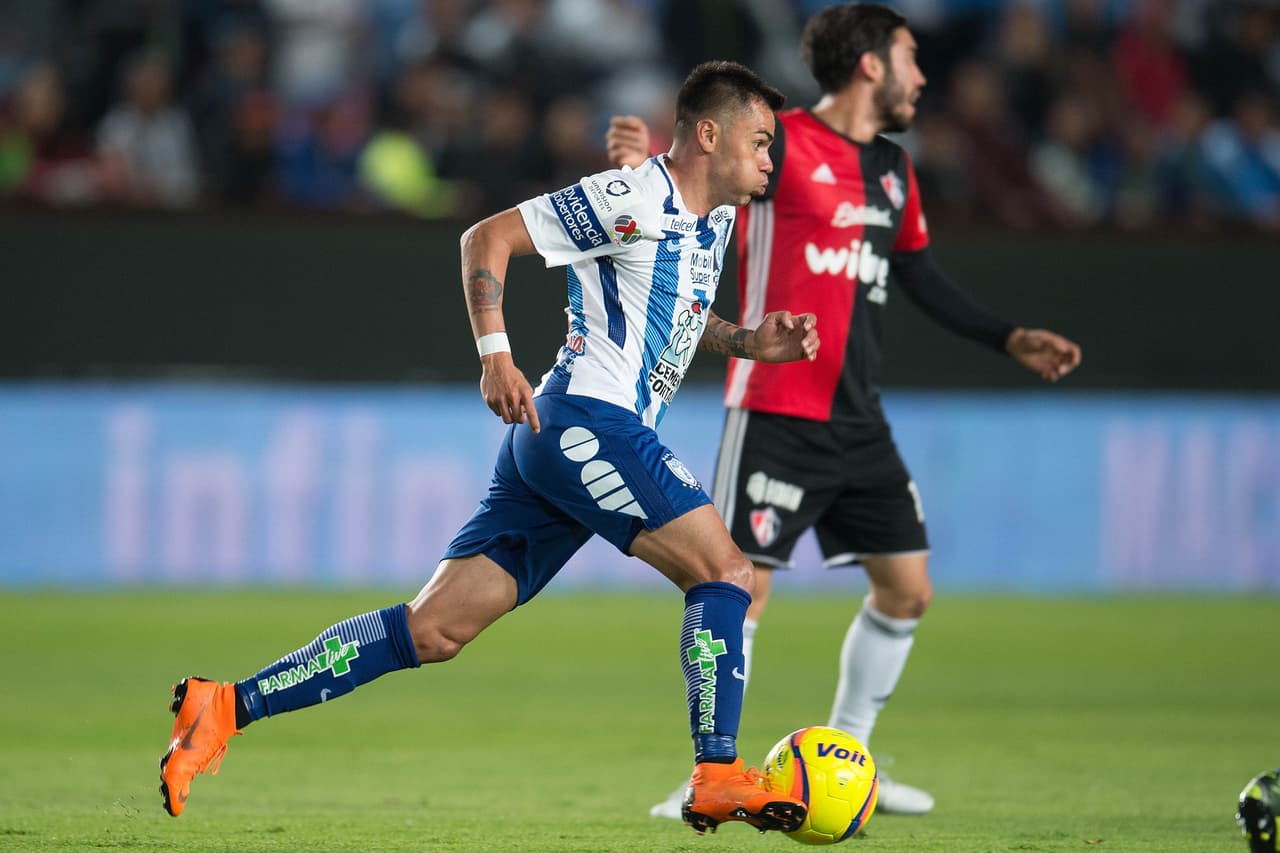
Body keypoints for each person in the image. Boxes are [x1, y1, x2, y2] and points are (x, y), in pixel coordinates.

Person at [157, 60, 823, 837]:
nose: (770, 156)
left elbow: (671, 301)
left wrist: (749, 340)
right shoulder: (632, 196)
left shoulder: (710, 215)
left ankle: (225, 705)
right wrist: (495, 353)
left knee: (433, 629)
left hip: (556, 442)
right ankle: (715, 772)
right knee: (727, 570)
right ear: (710, 134)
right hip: (587, 422)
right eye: (761, 139)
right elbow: (488, 236)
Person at [606, 3, 1083, 819]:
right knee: (738, 588)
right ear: (870, 63)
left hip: (859, 419)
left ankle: (848, 757)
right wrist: (637, 165)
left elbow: (920, 275)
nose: (922, 74)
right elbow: (695, 179)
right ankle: (707, 772)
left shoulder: (895, 169)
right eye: (909, 55)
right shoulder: (780, 138)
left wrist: (1009, 338)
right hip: (775, 408)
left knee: (908, 588)